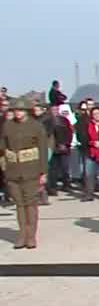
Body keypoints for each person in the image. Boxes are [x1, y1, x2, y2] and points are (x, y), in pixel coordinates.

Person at [0, 99, 48, 248]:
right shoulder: (8, 126)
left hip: (31, 169)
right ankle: (22, 235)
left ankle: (31, 236)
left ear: (27, 111)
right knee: (19, 205)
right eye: (15, 110)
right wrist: (4, 166)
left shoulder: (36, 126)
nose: (17, 113)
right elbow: (2, 147)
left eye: (20, 110)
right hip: (13, 170)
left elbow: (43, 150)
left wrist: (43, 172)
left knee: (30, 204)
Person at [75, 106, 99, 201]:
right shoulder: (87, 125)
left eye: (98, 113)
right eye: (94, 114)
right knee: (89, 174)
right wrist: (92, 143)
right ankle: (89, 194)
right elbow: (83, 138)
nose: (97, 116)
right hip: (90, 152)